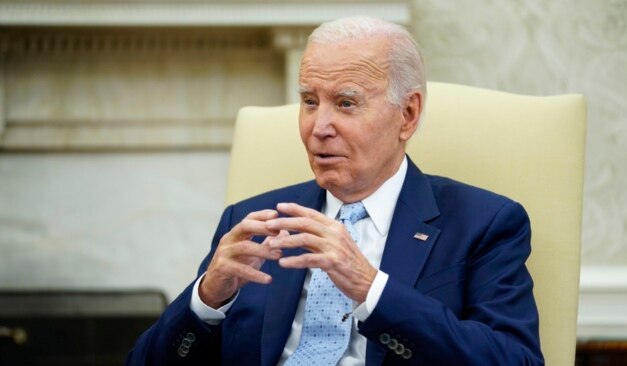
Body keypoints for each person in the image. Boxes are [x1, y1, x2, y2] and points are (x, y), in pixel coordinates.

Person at [127, 16, 543, 365]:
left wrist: (371, 289)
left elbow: (514, 358)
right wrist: (206, 300)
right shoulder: (252, 221)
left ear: (408, 114)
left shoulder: (484, 223)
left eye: (345, 103)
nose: (318, 127)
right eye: (310, 101)